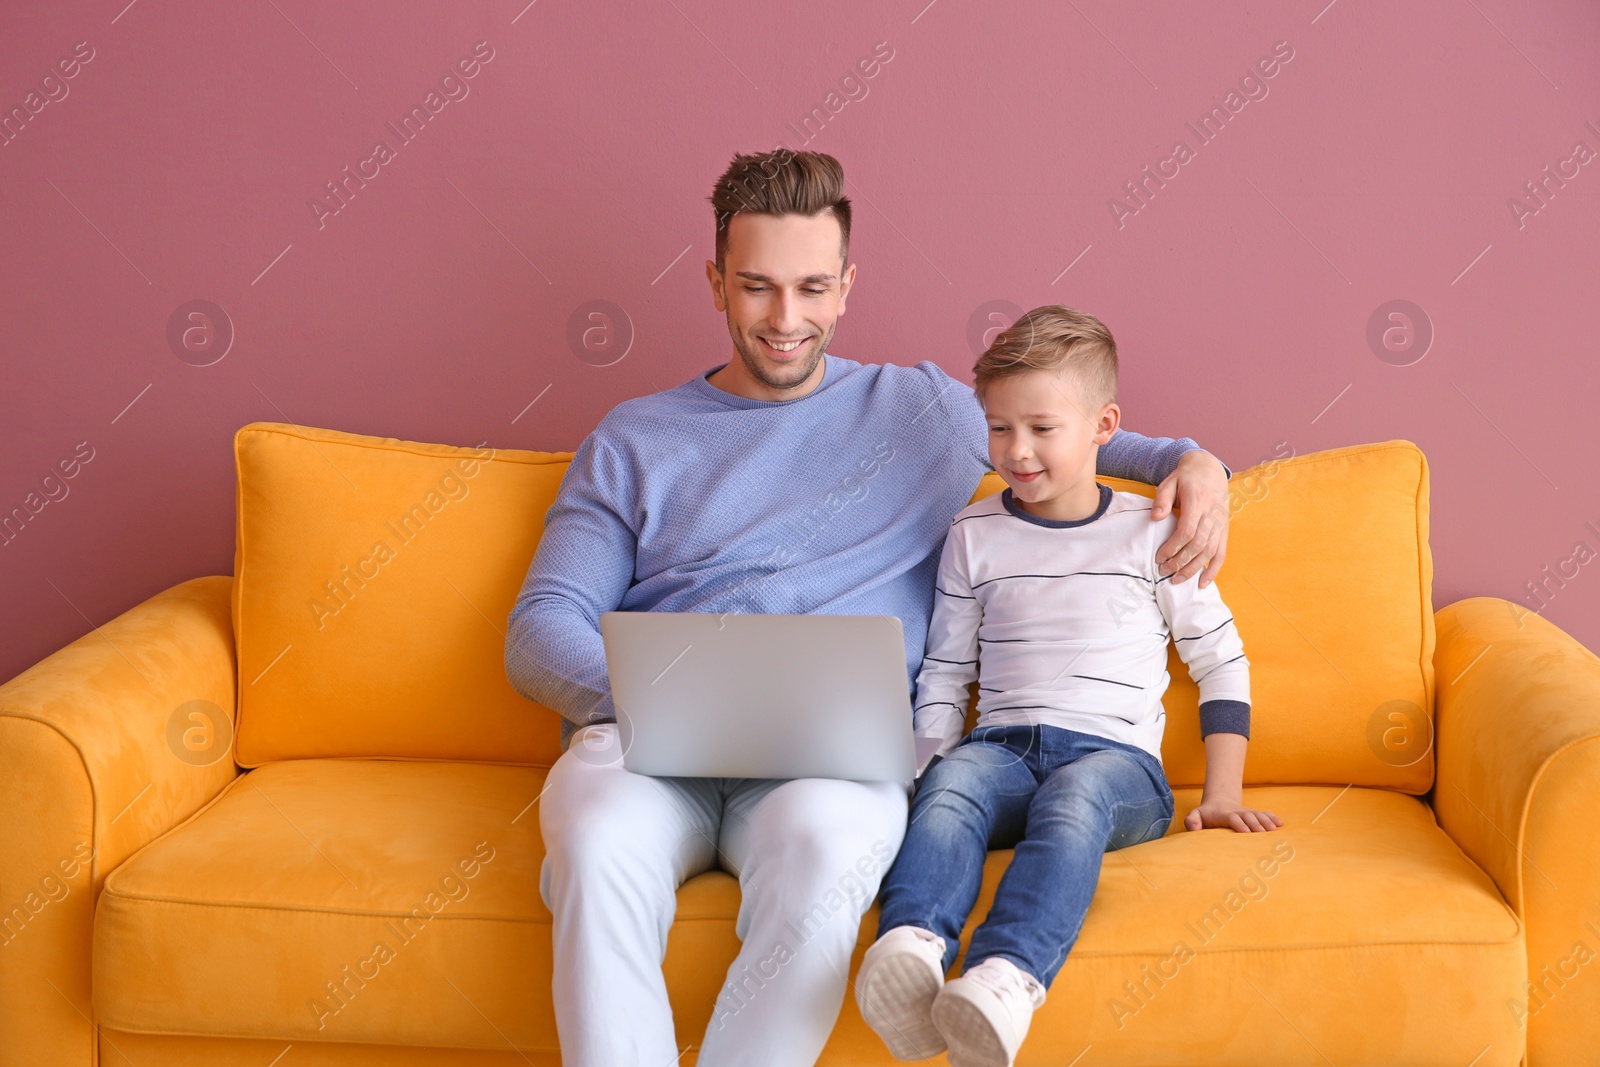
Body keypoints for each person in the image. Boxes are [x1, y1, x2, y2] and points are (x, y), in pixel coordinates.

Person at [504, 150, 1236, 1067]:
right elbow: (539, 631)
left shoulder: (923, 408)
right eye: (757, 287)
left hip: (831, 764)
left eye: (812, 287)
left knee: (829, 860)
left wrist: (1195, 460)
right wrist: (669, 700)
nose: (785, 319)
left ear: (847, 287)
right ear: (714, 284)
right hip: (650, 745)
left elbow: (1083, 431)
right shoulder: (633, 437)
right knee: (597, 843)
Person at [854, 304, 1283, 1067]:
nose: (1016, 452)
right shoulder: (973, 533)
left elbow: (1221, 659)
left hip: (1117, 767)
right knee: (954, 784)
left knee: (1074, 798)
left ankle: (1006, 977)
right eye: (999, 428)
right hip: (1004, 749)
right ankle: (912, 950)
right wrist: (924, 769)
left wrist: (1222, 791)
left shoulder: (1154, 531)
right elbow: (948, 674)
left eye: (1042, 428)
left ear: (1103, 424)